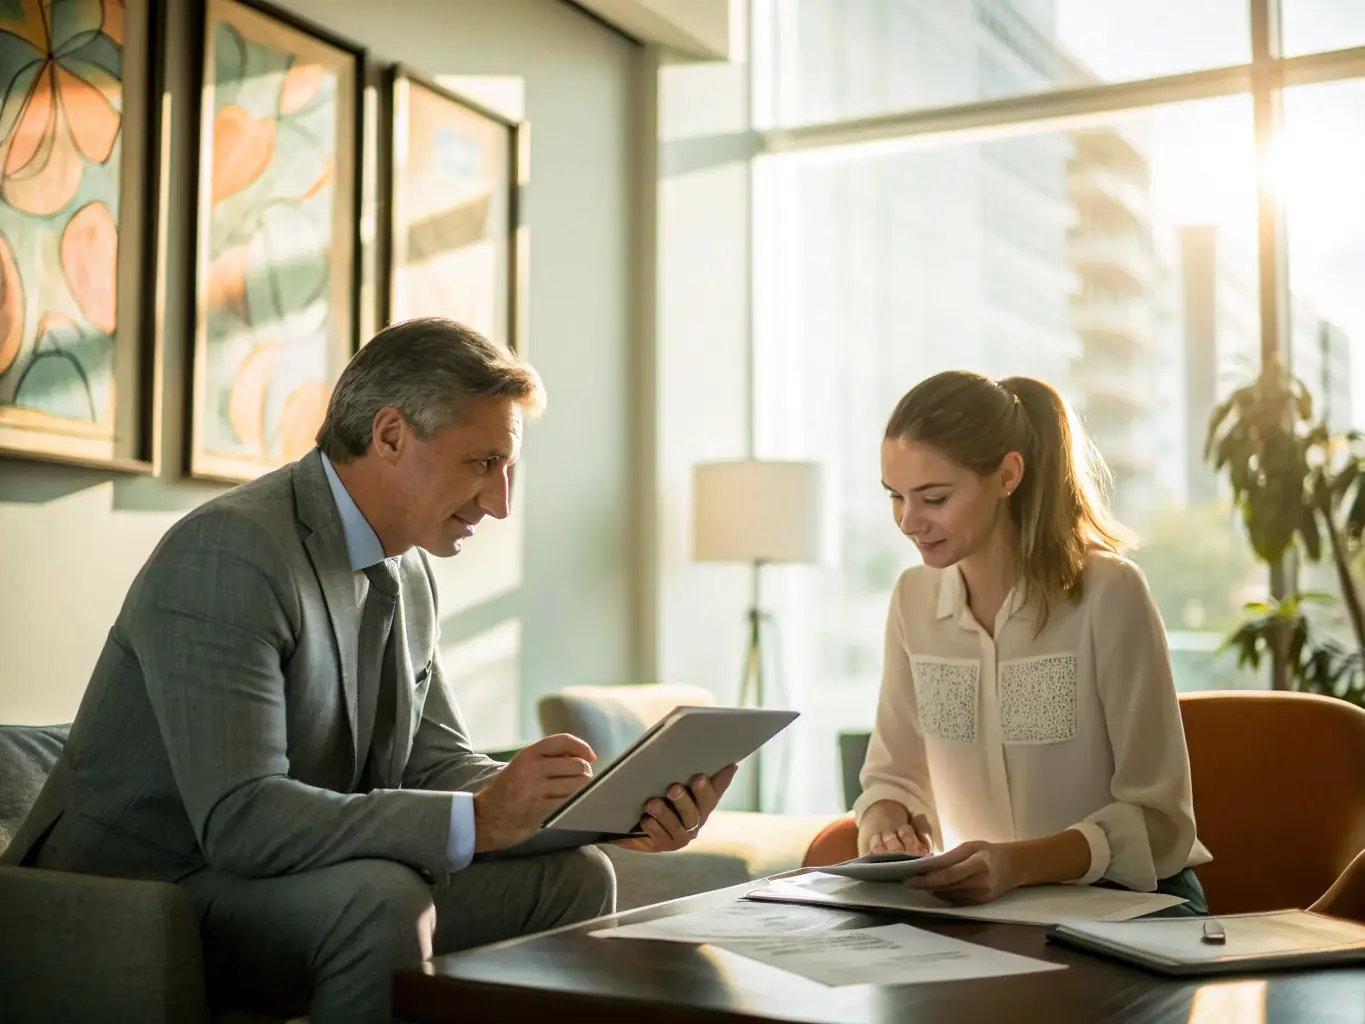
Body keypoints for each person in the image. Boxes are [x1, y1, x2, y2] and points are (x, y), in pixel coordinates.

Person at [3, 317, 737, 1023]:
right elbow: (241, 818)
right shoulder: (230, 551)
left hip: (269, 876)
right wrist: (483, 818)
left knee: (569, 879)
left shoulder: (409, 570)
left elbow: (439, 762)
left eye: (507, 469)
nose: (500, 502)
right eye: (483, 464)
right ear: (390, 434)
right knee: (379, 897)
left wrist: (603, 817)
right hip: (140, 889)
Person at [854, 370, 1211, 914]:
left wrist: (1019, 864)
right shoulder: (912, 600)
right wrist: (885, 826)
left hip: (1132, 906)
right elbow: (892, 776)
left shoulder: (1109, 593)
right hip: (993, 914)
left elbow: (1161, 820)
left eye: (933, 498)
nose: (909, 521)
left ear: (1007, 476)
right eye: (895, 498)